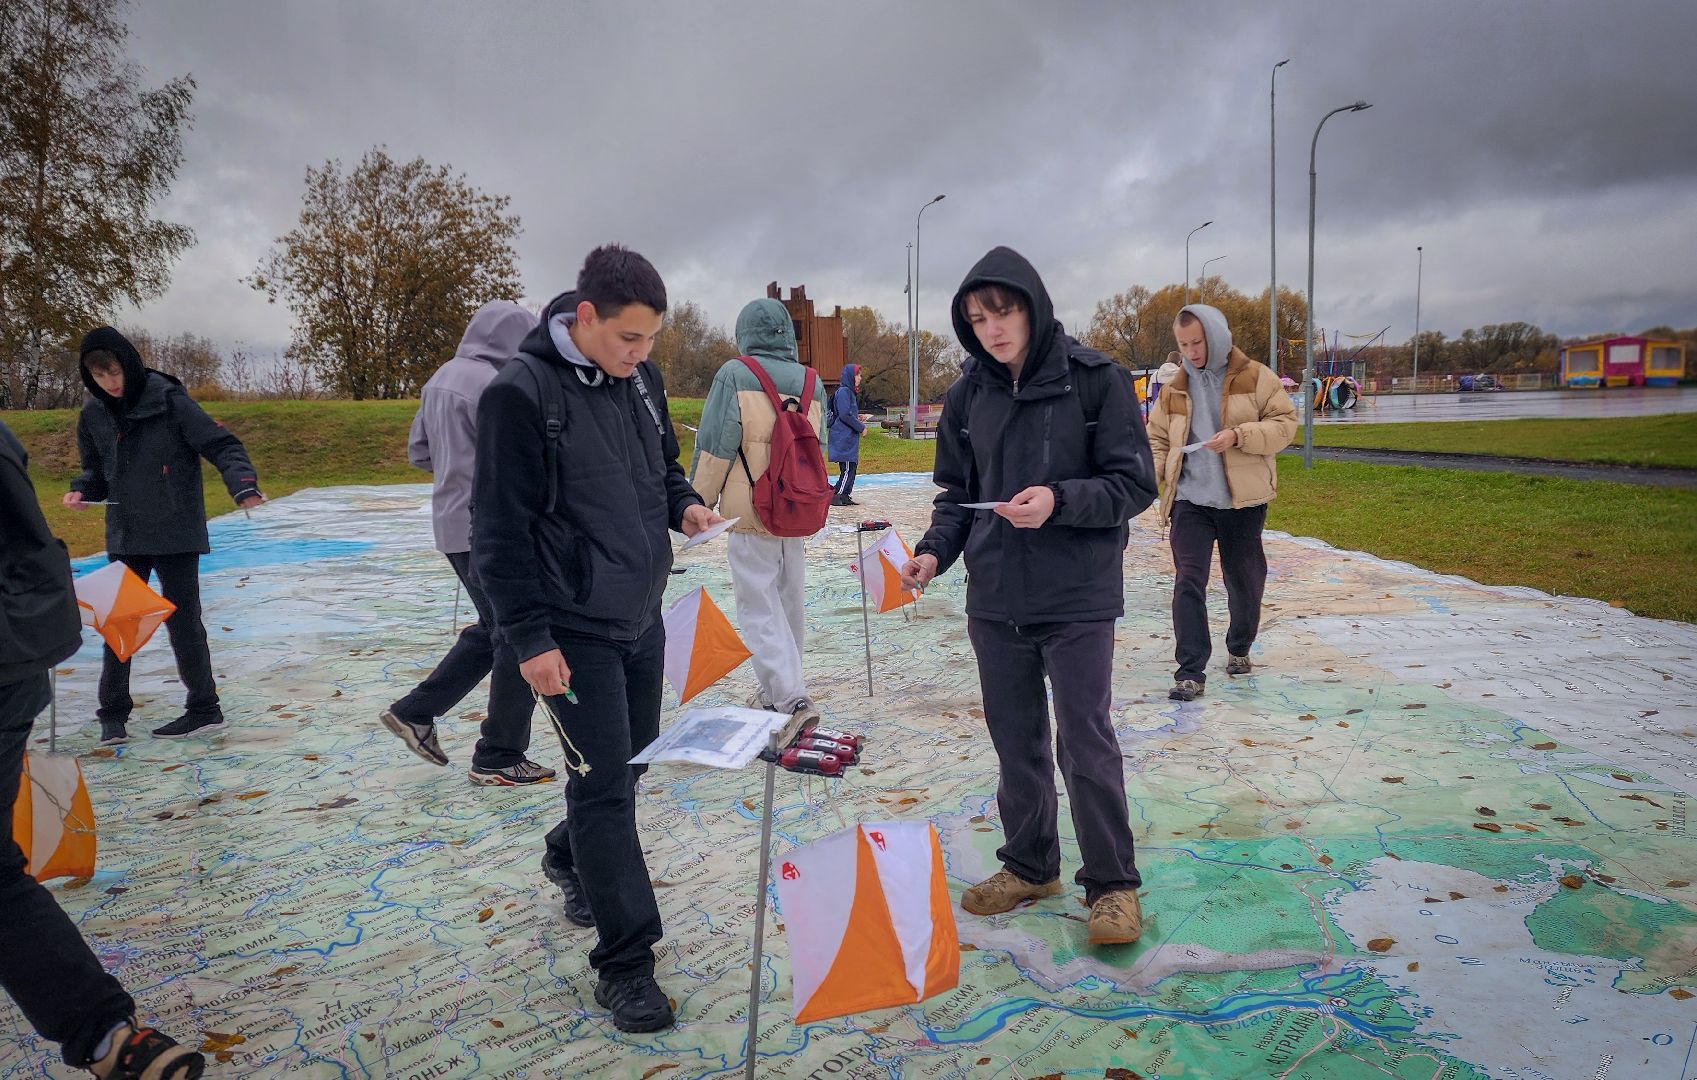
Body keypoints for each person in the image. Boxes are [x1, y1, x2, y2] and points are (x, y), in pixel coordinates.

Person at [472, 245, 722, 1033]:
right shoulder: (519, 394)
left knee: (627, 767)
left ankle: (566, 851)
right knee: (607, 790)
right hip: (571, 630)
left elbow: (663, 469)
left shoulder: (641, 380)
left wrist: (684, 506)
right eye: (628, 338)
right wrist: (529, 639)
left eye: (650, 339)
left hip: (640, 615)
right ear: (585, 318)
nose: (641, 354)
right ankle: (626, 965)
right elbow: (497, 532)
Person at [898, 247, 1158, 946]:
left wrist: (1058, 501)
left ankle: (1112, 885)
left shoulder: (1096, 380)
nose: (992, 328)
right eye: (977, 317)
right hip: (996, 599)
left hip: (1076, 596)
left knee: (1085, 742)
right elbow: (957, 495)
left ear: (1033, 307)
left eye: (1003, 311)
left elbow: (1134, 484)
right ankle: (1030, 865)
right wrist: (933, 553)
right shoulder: (966, 395)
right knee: (1016, 742)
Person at [1, 419, 206, 1079]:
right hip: (20, 651)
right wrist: (87, 485)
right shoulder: (81, 418)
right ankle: (109, 1038)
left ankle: (105, 1035)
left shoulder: (168, 403)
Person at [379, 301, 556, 787]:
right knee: (518, 634)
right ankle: (499, 753)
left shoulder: (441, 378)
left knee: (496, 626)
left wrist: (455, 467)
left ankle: (416, 711)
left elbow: (419, 453)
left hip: (451, 523)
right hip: (489, 524)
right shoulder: (499, 385)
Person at [65, 327, 262, 742]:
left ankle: (204, 708)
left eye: (114, 372)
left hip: (175, 529)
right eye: (99, 376)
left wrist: (243, 485)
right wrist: (82, 490)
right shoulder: (93, 414)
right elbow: (96, 471)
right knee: (118, 621)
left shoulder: (169, 400)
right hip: (127, 532)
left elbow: (222, 444)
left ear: (129, 365)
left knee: (183, 623)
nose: (110, 383)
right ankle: (113, 713)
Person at [1145, 304, 1298, 702]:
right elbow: (1157, 437)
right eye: (1183, 345)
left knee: (1244, 580)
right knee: (1188, 580)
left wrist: (1239, 435)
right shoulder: (1175, 387)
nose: (1191, 352)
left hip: (1241, 503)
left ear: (1216, 336)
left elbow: (1285, 425)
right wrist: (1155, 473)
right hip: (1190, 501)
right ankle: (1189, 672)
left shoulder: (1257, 377)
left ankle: (1239, 645)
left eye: (1197, 342)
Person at [690, 298, 828, 724]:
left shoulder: (735, 374)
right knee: (790, 605)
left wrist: (696, 502)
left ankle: (789, 698)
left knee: (758, 607)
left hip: (751, 511)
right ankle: (779, 690)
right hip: (796, 509)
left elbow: (715, 446)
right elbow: (818, 451)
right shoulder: (812, 381)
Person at [826, 363, 865, 505]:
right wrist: (861, 427)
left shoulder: (848, 392)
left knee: (851, 467)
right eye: (857, 375)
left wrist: (858, 417)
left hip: (847, 437)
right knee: (848, 468)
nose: (860, 378)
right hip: (843, 437)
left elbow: (847, 412)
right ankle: (838, 495)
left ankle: (845, 494)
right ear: (850, 376)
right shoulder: (844, 392)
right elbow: (844, 415)